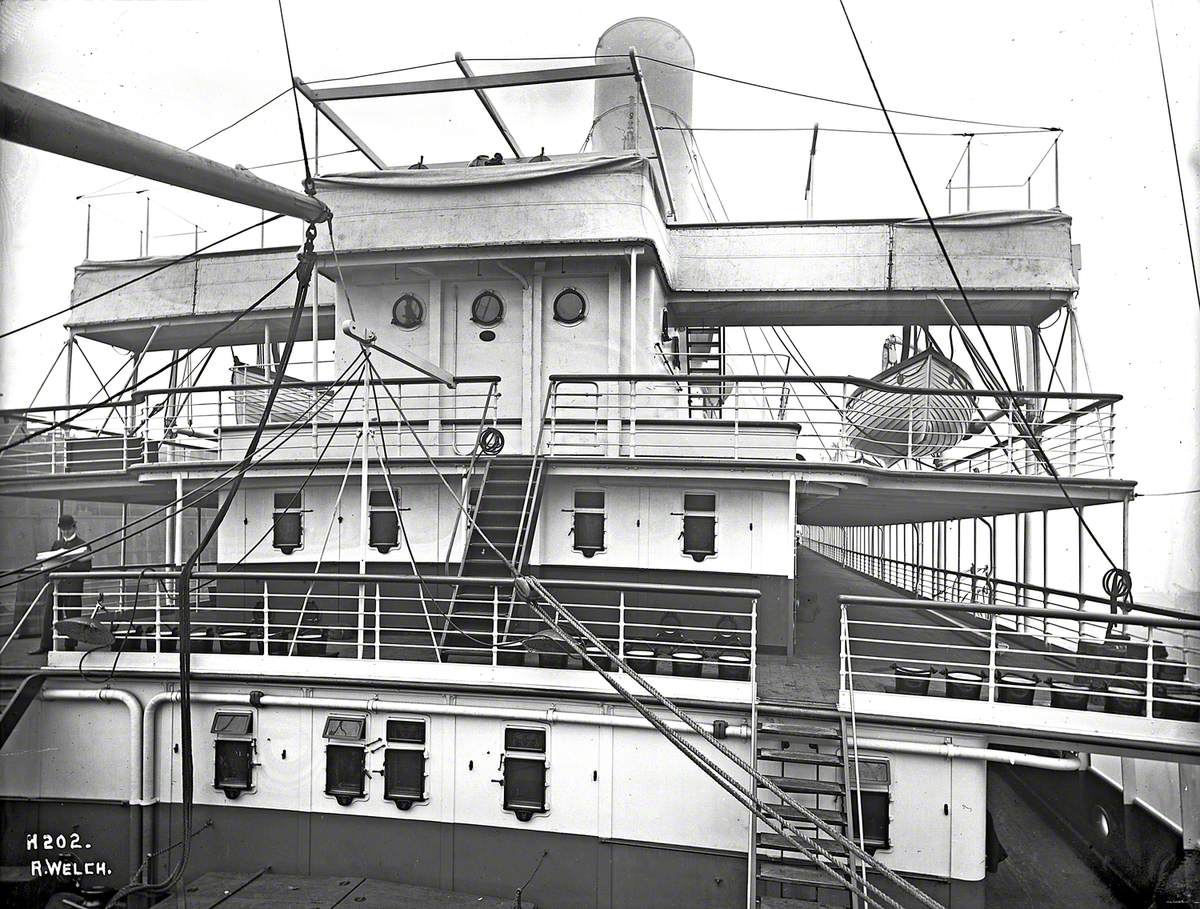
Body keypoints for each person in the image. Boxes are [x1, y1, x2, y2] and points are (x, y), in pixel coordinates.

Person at [31, 515, 93, 655]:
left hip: (73, 585)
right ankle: (45, 645)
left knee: (72, 616)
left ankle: (70, 646)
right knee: (49, 615)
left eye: (68, 528)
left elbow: (87, 567)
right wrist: (49, 576)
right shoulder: (56, 545)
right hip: (56, 585)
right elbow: (49, 564)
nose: (65, 532)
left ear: (74, 527)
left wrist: (70, 564)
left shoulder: (83, 545)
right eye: (63, 529)